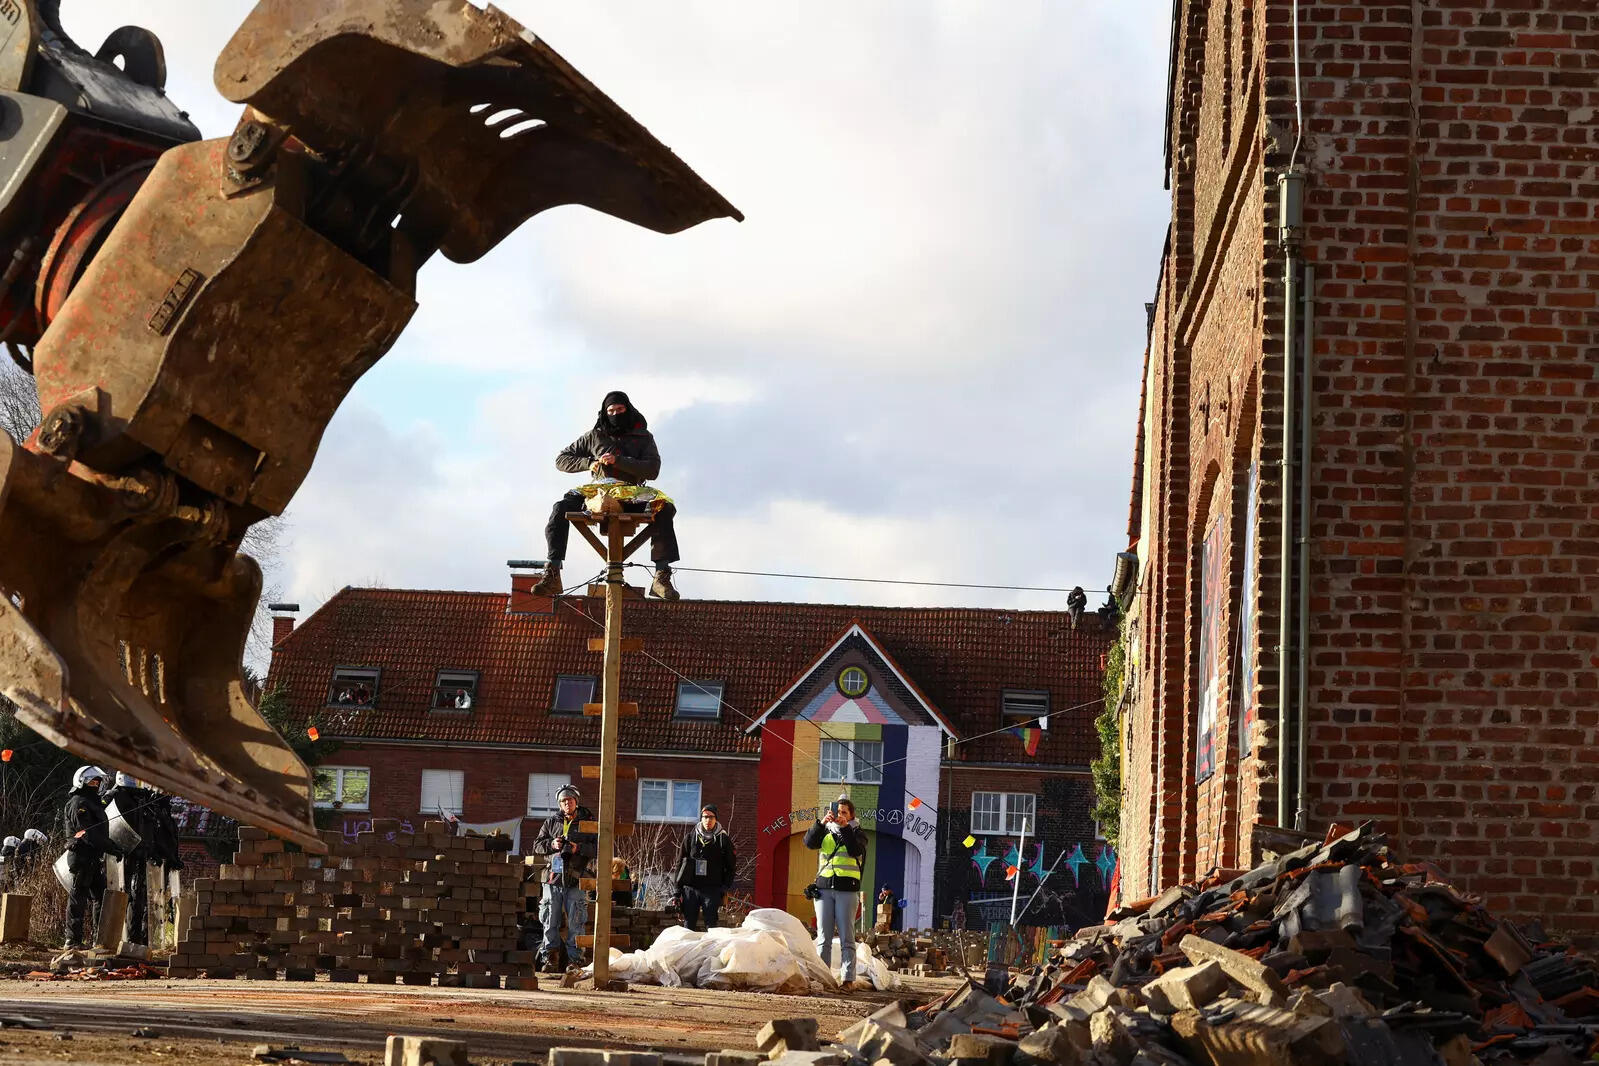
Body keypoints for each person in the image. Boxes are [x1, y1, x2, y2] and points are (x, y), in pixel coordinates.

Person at [531, 391, 681, 601]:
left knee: (664, 507)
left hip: (631, 493)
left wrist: (619, 461)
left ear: (628, 409)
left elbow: (652, 469)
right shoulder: (594, 436)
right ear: (604, 412)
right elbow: (561, 459)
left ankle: (661, 576)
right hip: (597, 494)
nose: (615, 414)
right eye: (611, 411)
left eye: (620, 409)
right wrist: (589, 463)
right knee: (560, 507)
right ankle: (552, 573)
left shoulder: (643, 437)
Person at [530, 784, 596, 973]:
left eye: (570, 800)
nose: (567, 803)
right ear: (559, 804)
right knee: (549, 920)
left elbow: (599, 847)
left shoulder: (589, 823)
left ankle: (575, 961)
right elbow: (537, 845)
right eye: (563, 801)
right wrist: (552, 844)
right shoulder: (551, 822)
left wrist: (578, 848)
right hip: (553, 878)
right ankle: (550, 959)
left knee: (576, 921)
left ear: (576, 801)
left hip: (576, 878)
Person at [803, 794, 867, 986]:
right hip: (824, 889)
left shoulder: (858, 833)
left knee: (847, 937)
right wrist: (821, 823)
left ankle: (848, 980)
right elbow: (809, 842)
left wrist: (845, 828)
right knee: (824, 937)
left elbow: (855, 850)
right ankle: (823, 978)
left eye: (844, 812)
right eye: (837, 811)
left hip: (847, 889)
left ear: (851, 816)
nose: (840, 815)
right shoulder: (825, 831)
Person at [62, 764, 122, 949]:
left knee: (100, 897)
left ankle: (98, 939)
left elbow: (101, 805)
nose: (96, 785)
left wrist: (113, 793)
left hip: (93, 858)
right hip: (81, 856)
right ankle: (72, 940)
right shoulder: (78, 803)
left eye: (98, 782)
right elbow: (89, 833)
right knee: (78, 897)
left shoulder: (91, 802)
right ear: (82, 782)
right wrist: (112, 848)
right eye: (93, 782)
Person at [106, 772, 158, 946]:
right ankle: (113, 937)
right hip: (120, 856)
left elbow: (148, 830)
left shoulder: (142, 800)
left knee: (138, 896)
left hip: (140, 854)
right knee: (121, 894)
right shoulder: (115, 797)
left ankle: (133, 938)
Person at [675, 803, 736, 931]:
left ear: (716, 819)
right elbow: (679, 864)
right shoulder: (690, 838)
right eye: (705, 817)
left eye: (711, 817)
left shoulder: (723, 840)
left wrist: (724, 887)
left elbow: (731, 867)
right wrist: (677, 891)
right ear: (701, 818)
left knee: (711, 926)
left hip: (712, 889)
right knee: (688, 926)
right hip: (691, 888)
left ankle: (711, 946)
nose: (708, 820)